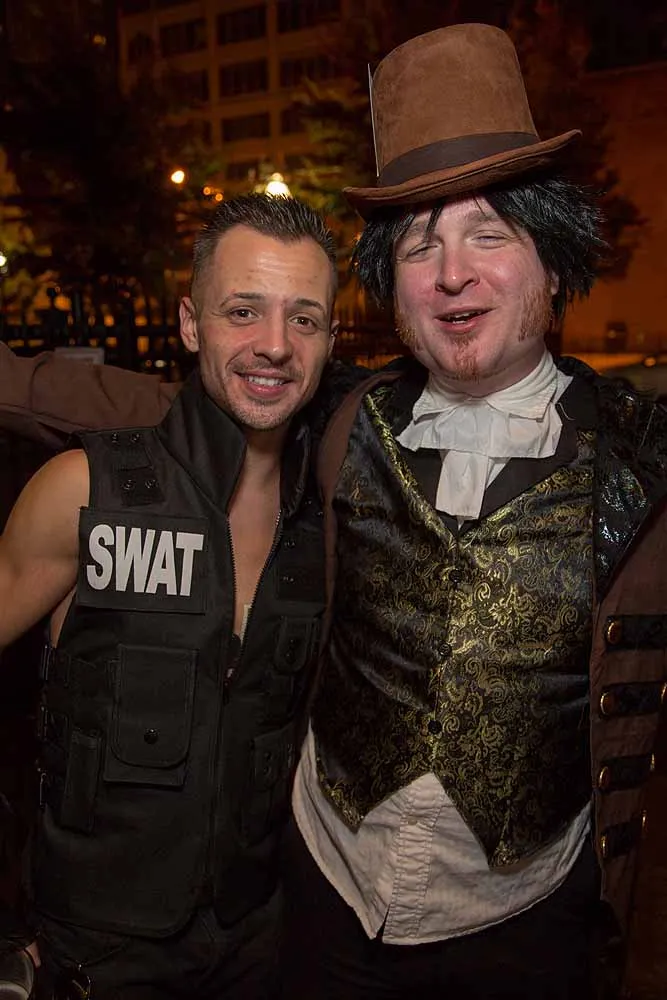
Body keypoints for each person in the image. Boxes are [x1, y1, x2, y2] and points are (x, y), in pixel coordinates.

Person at [0, 23, 666, 1000]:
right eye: (419, 246)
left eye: (489, 234)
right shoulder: (347, 419)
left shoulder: (645, 466)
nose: (451, 272)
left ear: (554, 261)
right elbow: (181, 398)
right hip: (317, 910)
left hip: (524, 934)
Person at [0, 192, 338, 999]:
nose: (273, 345)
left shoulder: (328, 523)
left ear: (329, 340)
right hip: (94, 954)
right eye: (242, 311)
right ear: (191, 324)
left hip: (259, 947)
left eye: (303, 319)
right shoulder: (85, 491)